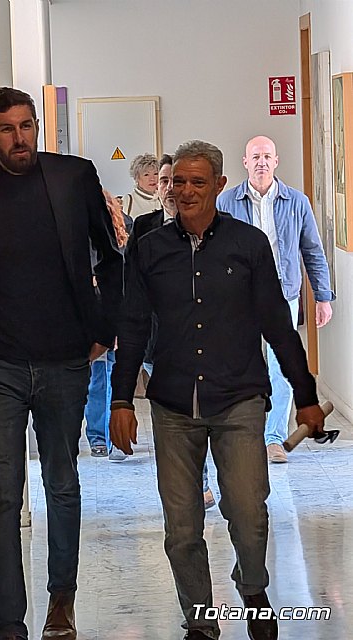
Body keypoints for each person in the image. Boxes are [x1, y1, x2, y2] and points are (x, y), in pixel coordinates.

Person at [0, 87, 123, 640]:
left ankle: (61, 603)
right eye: (7, 129)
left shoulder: (74, 176)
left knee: (62, 484)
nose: (20, 138)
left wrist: (103, 331)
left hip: (65, 359)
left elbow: (110, 258)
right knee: (3, 498)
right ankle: (9, 621)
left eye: (27, 125)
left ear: (38, 127)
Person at [109, 140, 325, 640]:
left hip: (238, 399)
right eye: (178, 182)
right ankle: (200, 620)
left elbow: (277, 325)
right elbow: (133, 326)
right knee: (182, 526)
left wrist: (306, 396)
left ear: (220, 186)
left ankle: (252, 588)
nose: (185, 191)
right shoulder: (149, 249)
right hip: (173, 404)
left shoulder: (249, 245)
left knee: (248, 514)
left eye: (198, 182)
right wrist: (120, 400)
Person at [217, 135, 334, 463]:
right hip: (237, 299)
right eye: (255, 157)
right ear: (245, 162)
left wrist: (322, 297)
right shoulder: (226, 202)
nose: (261, 162)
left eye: (267, 156)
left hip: (283, 295)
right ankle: (244, 434)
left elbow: (312, 251)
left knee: (282, 369)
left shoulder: (296, 202)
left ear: (276, 161)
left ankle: (273, 438)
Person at [125, 154, 215, 509]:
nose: (168, 189)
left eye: (173, 181)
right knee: (173, 415)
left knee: (198, 412)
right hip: (155, 344)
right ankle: (182, 484)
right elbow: (130, 286)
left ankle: (200, 481)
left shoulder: (210, 227)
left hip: (200, 343)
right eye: (163, 182)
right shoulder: (143, 228)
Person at [85, 190, 132, 462]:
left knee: (117, 377)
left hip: (120, 310)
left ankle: (117, 439)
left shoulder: (127, 226)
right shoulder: (80, 229)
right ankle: (98, 437)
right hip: (94, 313)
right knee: (97, 381)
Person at [121, 153, 161, 219]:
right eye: (146, 175)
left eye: (155, 174)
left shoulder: (162, 199)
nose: (152, 178)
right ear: (137, 178)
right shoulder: (128, 201)